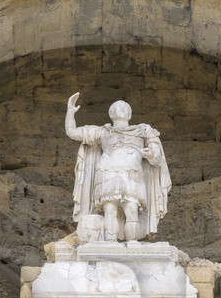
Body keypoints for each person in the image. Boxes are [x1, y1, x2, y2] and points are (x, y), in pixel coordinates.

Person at [64, 93, 170, 242]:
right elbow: (72, 132)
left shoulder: (143, 131)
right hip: (107, 172)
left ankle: (132, 244)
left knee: (132, 209)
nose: (121, 108)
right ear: (111, 113)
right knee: (110, 210)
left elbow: (158, 158)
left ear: (130, 114)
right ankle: (110, 243)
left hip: (132, 173)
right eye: (117, 107)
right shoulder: (103, 131)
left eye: (125, 107)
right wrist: (70, 112)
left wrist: (151, 154)